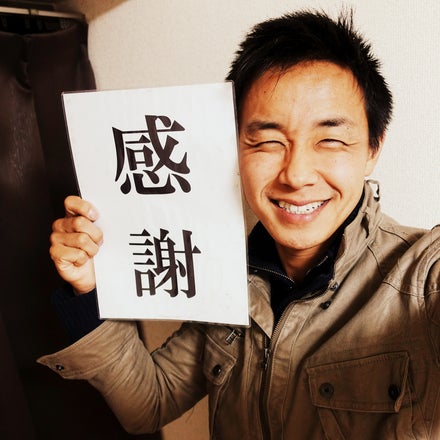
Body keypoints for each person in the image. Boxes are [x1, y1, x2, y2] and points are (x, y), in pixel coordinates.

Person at [39, 9, 440, 440]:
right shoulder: (223, 274)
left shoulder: (420, 276)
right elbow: (148, 404)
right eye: (267, 141)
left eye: (329, 140)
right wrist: (89, 287)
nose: (296, 175)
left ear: (373, 148)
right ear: (234, 148)